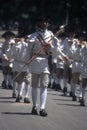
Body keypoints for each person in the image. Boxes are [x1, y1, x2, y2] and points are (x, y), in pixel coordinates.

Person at [27, 16, 69, 116]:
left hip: (45, 62)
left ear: (48, 24)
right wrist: (27, 61)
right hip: (34, 61)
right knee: (34, 86)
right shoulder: (33, 35)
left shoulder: (52, 35)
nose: (45, 23)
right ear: (39, 23)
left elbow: (56, 50)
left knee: (44, 86)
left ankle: (42, 108)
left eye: (46, 22)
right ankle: (34, 106)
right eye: (43, 22)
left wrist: (51, 47)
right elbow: (29, 50)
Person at [6, 35, 31, 103]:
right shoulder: (14, 46)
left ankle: (26, 96)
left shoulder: (27, 45)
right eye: (18, 38)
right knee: (20, 81)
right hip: (17, 65)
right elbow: (10, 55)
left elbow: (30, 51)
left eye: (21, 38)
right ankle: (19, 95)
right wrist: (10, 46)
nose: (19, 40)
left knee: (27, 81)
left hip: (26, 64)